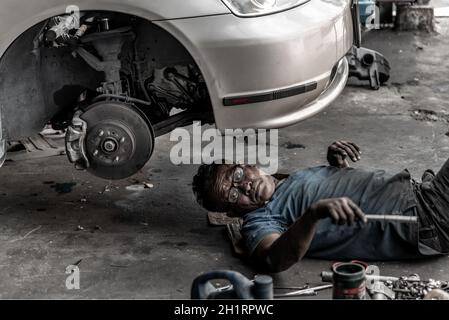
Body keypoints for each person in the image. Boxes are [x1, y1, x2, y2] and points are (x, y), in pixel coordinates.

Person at [192, 141, 449, 273]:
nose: (245, 187)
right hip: (426, 217)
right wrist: (313, 214)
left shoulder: (287, 181)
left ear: (246, 164)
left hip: (418, 195)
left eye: (237, 177)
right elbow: (273, 258)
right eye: (233, 195)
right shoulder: (260, 220)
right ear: (234, 212)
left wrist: (337, 169)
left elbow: (349, 209)